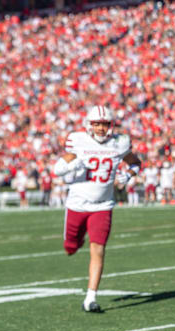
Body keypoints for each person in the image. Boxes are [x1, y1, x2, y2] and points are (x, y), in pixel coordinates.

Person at [53, 106, 141, 313]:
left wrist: (128, 174)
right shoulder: (78, 140)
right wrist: (71, 167)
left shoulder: (119, 143)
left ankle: (90, 298)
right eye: (97, 124)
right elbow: (58, 169)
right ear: (89, 125)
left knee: (99, 249)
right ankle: (75, 242)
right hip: (77, 204)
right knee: (70, 247)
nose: (101, 128)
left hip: (103, 205)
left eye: (104, 124)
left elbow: (135, 163)